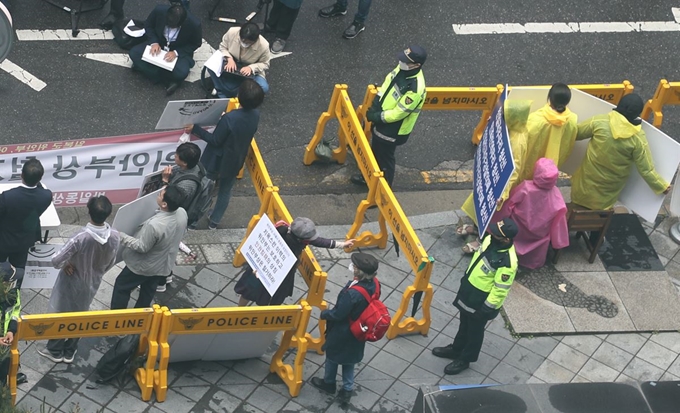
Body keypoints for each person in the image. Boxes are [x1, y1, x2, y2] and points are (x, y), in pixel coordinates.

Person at [37, 196, 120, 364]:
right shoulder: (115, 236)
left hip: (71, 281)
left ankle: (54, 350)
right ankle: (70, 350)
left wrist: (66, 264)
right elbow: (111, 261)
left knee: (61, 313)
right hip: (92, 283)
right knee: (80, 313)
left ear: (89, 212)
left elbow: (55, 260)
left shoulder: (80, 237)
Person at [432, 218, 519, 375]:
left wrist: (486, 308)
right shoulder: (490, 240)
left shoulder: (508, 262)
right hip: (470, 292)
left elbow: (500, 290)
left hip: (481, 302)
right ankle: (457, 349)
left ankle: (465, 359)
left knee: (475, 332)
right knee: (464, 324)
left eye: (497, 234)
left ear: (506, 239)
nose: (492, 234)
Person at [184, 79, 264, 229]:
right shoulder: (255, 115)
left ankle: (193, 222)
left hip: (215, 162)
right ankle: (214, 221)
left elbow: (215, 140)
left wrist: (195, 128)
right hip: (235, 160)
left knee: (203, 192)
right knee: (225, 191)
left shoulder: (229, 118)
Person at [571, 93, 670, 212]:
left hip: (583, 186)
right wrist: (662, 186)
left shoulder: (599, 122)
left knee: (576, 208)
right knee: (601, 213)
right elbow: (647, 170)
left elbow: (574, 134)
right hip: (607, 194)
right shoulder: (638, 139)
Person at [457, 100, 532, 254]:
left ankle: (481, 240)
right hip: (494, 179)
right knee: (482, 206)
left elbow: (514, 170)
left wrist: (503, 194)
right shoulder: (515, 127)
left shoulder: (517, 142)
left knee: (493, 217)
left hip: (502, 188)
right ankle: (477, 229)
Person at [234, 217, 354, 306]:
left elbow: (318, 241)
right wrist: (342, 245)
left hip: (260, 266)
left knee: (247, 291)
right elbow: (319, 242)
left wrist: (342, 244)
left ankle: (238, 311)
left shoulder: (282, 228)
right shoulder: (296, 245)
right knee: (271, 299)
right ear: (302, 239)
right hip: (280, 275)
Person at [352, 46, 427, 188]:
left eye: (405, 61)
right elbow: (387, 83)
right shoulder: (403, 69)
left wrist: (377, 116)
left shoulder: (415, 88)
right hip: (382, 120)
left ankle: (382, 191)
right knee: (375, 152)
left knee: (385, 159)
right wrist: (376, 103)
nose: (401, 62)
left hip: (393, 129)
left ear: (417, 65)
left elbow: (399, 113)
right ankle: (368, 177)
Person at [310, 253, 379, 405]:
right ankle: (347, 389)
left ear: (358, 271)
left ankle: (329, 383)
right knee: (349, 361)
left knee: (332, 357)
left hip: (343, 331)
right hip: (358, 331)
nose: (352, 267)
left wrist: (325, 314)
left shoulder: (353, 294)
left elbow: (339, 314)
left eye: (355, 266)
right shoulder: (374, 284)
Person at [110, 185, 188, 309]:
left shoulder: (154, 225)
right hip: (162, 264)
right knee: (148, 291)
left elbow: (142, 247)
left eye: (160, 195)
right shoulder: (182, 213)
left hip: (143, 266)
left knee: (122, 286)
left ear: (164, 204)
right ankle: (141, 316)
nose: (158, 195)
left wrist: (120, 235)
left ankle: (117, 317)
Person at [496, 158, 569, 269]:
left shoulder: (526, 187)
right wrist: (559, 242)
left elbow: (509, 205)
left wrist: (498, 219)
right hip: (539, 234)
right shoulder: (557, 195)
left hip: (518, 228)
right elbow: (559, 222)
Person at [128, 3, 202, 96]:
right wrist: (154, 42)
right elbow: (148, 25)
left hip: (177, 50)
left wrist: (176, 53)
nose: (170, 27)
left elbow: (195, 43)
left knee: (181, 72)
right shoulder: (159, 10)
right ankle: (167, 80)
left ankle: (149, 70)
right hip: (159, 44)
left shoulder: (194, 24)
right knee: (134, 53)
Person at [0, 159, 53, 271]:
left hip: (4, 240)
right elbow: (41, 190)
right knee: (18, 269)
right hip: (25, 240)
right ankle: (16, 288)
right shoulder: (46, 196)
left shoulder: (7, 197)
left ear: (22, 175)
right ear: (40, 178)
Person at [521, 83, 578, 182]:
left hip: (529, 169)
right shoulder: (572, 120)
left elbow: (520, 141)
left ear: (549, 98)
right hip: (549, 172)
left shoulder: (535, 120)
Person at [207, 23, 270, 99]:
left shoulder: (264, 46)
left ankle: (234, 94)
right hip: (230, 63)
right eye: (242, 40)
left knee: (263, 87)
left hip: (250, 71)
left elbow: (265, 64)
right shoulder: (232, 32)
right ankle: (220, 90)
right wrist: (229, 58)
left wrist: (251, 68)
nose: (244, 43)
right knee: (210, 66)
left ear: (255, 41)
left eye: (247, 43)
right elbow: (223, 47)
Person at [0, 262, 21, 389]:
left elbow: (15, 311)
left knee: (4, 368)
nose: (15, 283)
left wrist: (11, 331)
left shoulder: (13, 294)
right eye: (12, 281)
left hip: (4, 344)